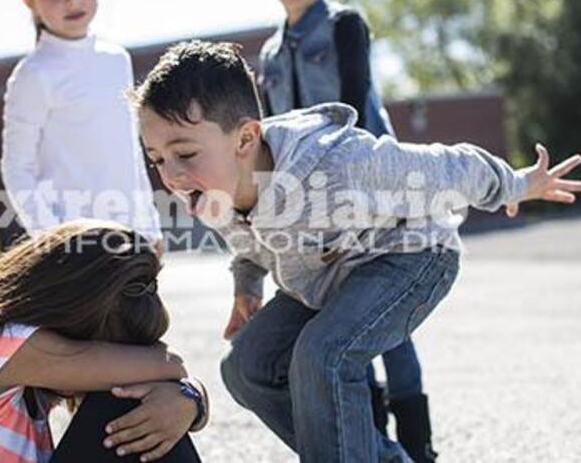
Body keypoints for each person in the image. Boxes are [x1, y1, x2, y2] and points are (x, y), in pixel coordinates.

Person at [133, 41, 581, 462]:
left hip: (410, 256)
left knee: (323, 354)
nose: (170, 176)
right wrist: (246, 288)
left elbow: (447, 168)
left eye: (185, 154)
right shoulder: (212, 191)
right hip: (325, 275)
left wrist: (520, 184)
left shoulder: (338, 165)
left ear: (246, 139)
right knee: (246, 367)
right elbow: (249, 247)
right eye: (156, 159)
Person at [257, 0, 431, 459]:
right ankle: (372, 444)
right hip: (310, 215)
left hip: (369, 196)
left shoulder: (343, 25)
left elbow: (356, 106)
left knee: (388, 326)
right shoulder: (269, 54)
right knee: (344, 326)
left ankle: (419, 449)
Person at [0, 220, 207, 462]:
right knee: (125, 400)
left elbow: (167, 373)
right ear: (75, 314)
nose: (109, 359)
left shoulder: (13, 354)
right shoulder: (5, 341)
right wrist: (185, 395)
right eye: (107, 348)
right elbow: (169, 366)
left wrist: (189, 399)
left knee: (142, 405)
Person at [1, 0, 162, 251]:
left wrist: (150, 225)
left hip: (132, 236)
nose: (73, 0)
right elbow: (17, 167)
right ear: (29, 1)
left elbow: (130, 152)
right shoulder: (33, 74)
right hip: (76, 247)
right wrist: (51, 237)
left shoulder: (117, 60)